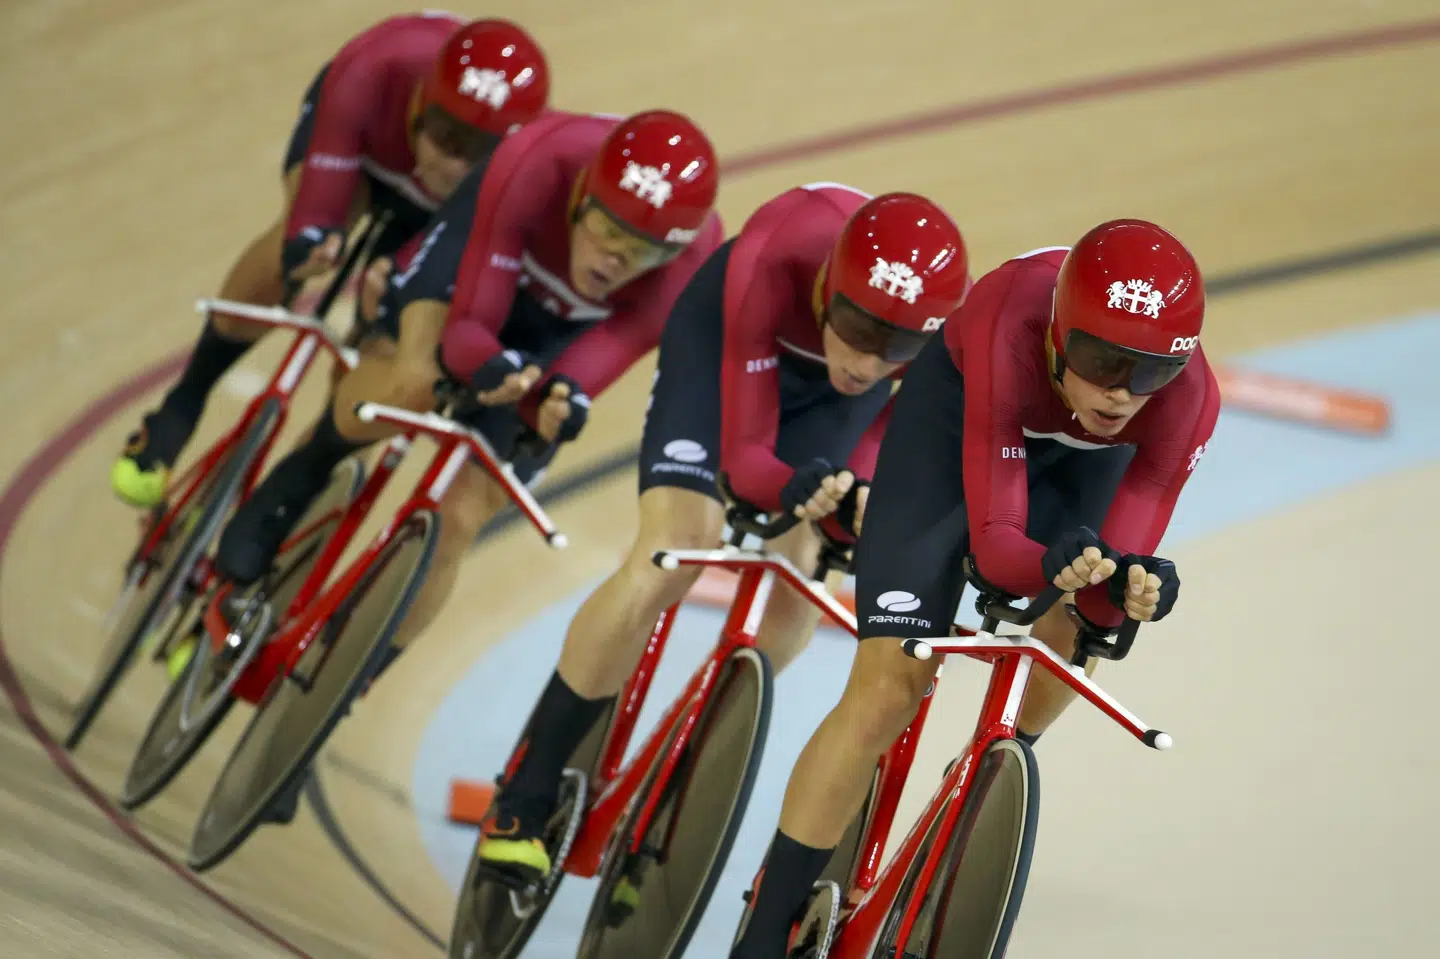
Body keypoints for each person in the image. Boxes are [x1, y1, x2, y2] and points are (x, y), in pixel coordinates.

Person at [728, 219, 1221, 958]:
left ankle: (988, 777)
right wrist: (1062, 567)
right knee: (888, 688)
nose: (1122, 393)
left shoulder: (1189, 400)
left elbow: (1102, 597)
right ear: (1059, 334)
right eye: (1101, 362)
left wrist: (1129, 588)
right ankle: (764, 934)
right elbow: (995, 552)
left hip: (1086, 467)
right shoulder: (1008, 317)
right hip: (957, 428)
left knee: (1083, 631)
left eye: (1149, 373)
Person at [473, 186, 973, 886]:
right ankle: (526, 790)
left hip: (833, 411)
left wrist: (856, 488)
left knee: (799, 583)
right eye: (856, 328)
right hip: (724, 356)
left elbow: (892, 427)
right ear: (828, 286)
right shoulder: (777, 252)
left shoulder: (937, 339)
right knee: (674, 549)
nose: (867, 361)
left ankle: (679, 784)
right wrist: (791, 488)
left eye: (897, 346)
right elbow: (744, 461)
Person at [209, 107, 724, 695]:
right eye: (608, 232)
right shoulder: (540, 164)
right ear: (583, 196)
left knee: (461, 518)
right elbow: (468, 328)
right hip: (471, 275)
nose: (614, 261)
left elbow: (600, 359)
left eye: (641, 253)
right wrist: (480, 364)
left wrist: (559, 401)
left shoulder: (689, 264)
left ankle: (347, 684)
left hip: (559, 339)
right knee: (415, 381)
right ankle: (301, 474)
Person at [110, 13, 551, 509]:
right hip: (365, 149)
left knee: (393, 349)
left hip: (442, 219)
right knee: (301, 246)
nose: (454, 164)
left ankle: (291, 492)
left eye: (479, 151)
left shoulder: (525, 167)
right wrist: (312, 234)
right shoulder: (373, 70)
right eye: (446, 136)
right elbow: (317, 206)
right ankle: (182, 404)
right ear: (420, 102)